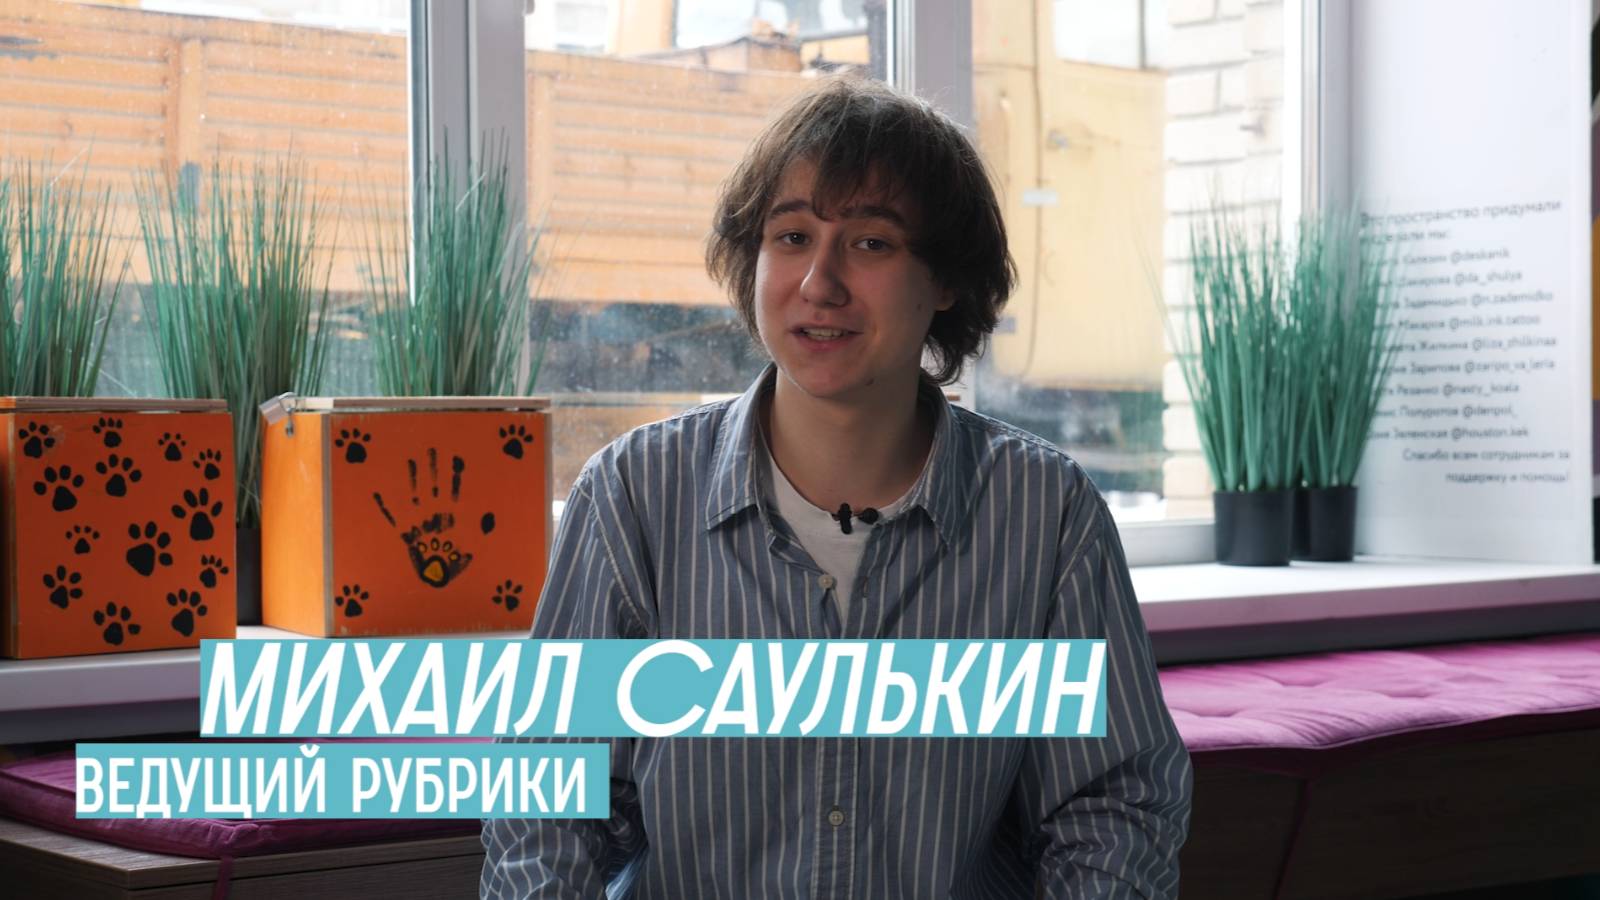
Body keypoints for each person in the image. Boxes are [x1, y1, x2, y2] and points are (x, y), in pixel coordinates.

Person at [481, 75, 1192, 899]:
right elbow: (548, 812)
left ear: (945, 279)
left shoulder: (1047, 513)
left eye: (871, 243)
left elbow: (1110, 811)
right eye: (791, 236)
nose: (819, 281)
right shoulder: (633, 495)